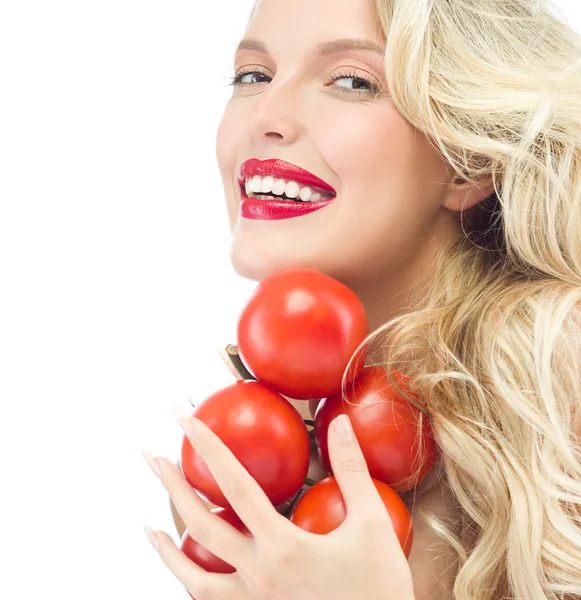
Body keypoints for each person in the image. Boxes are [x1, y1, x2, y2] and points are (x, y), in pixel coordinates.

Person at [142, 0, 581, 598]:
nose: (265, 115)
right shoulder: (267, 459)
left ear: (468, 162)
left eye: (351, 81)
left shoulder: (561, 395)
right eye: (253, 76)